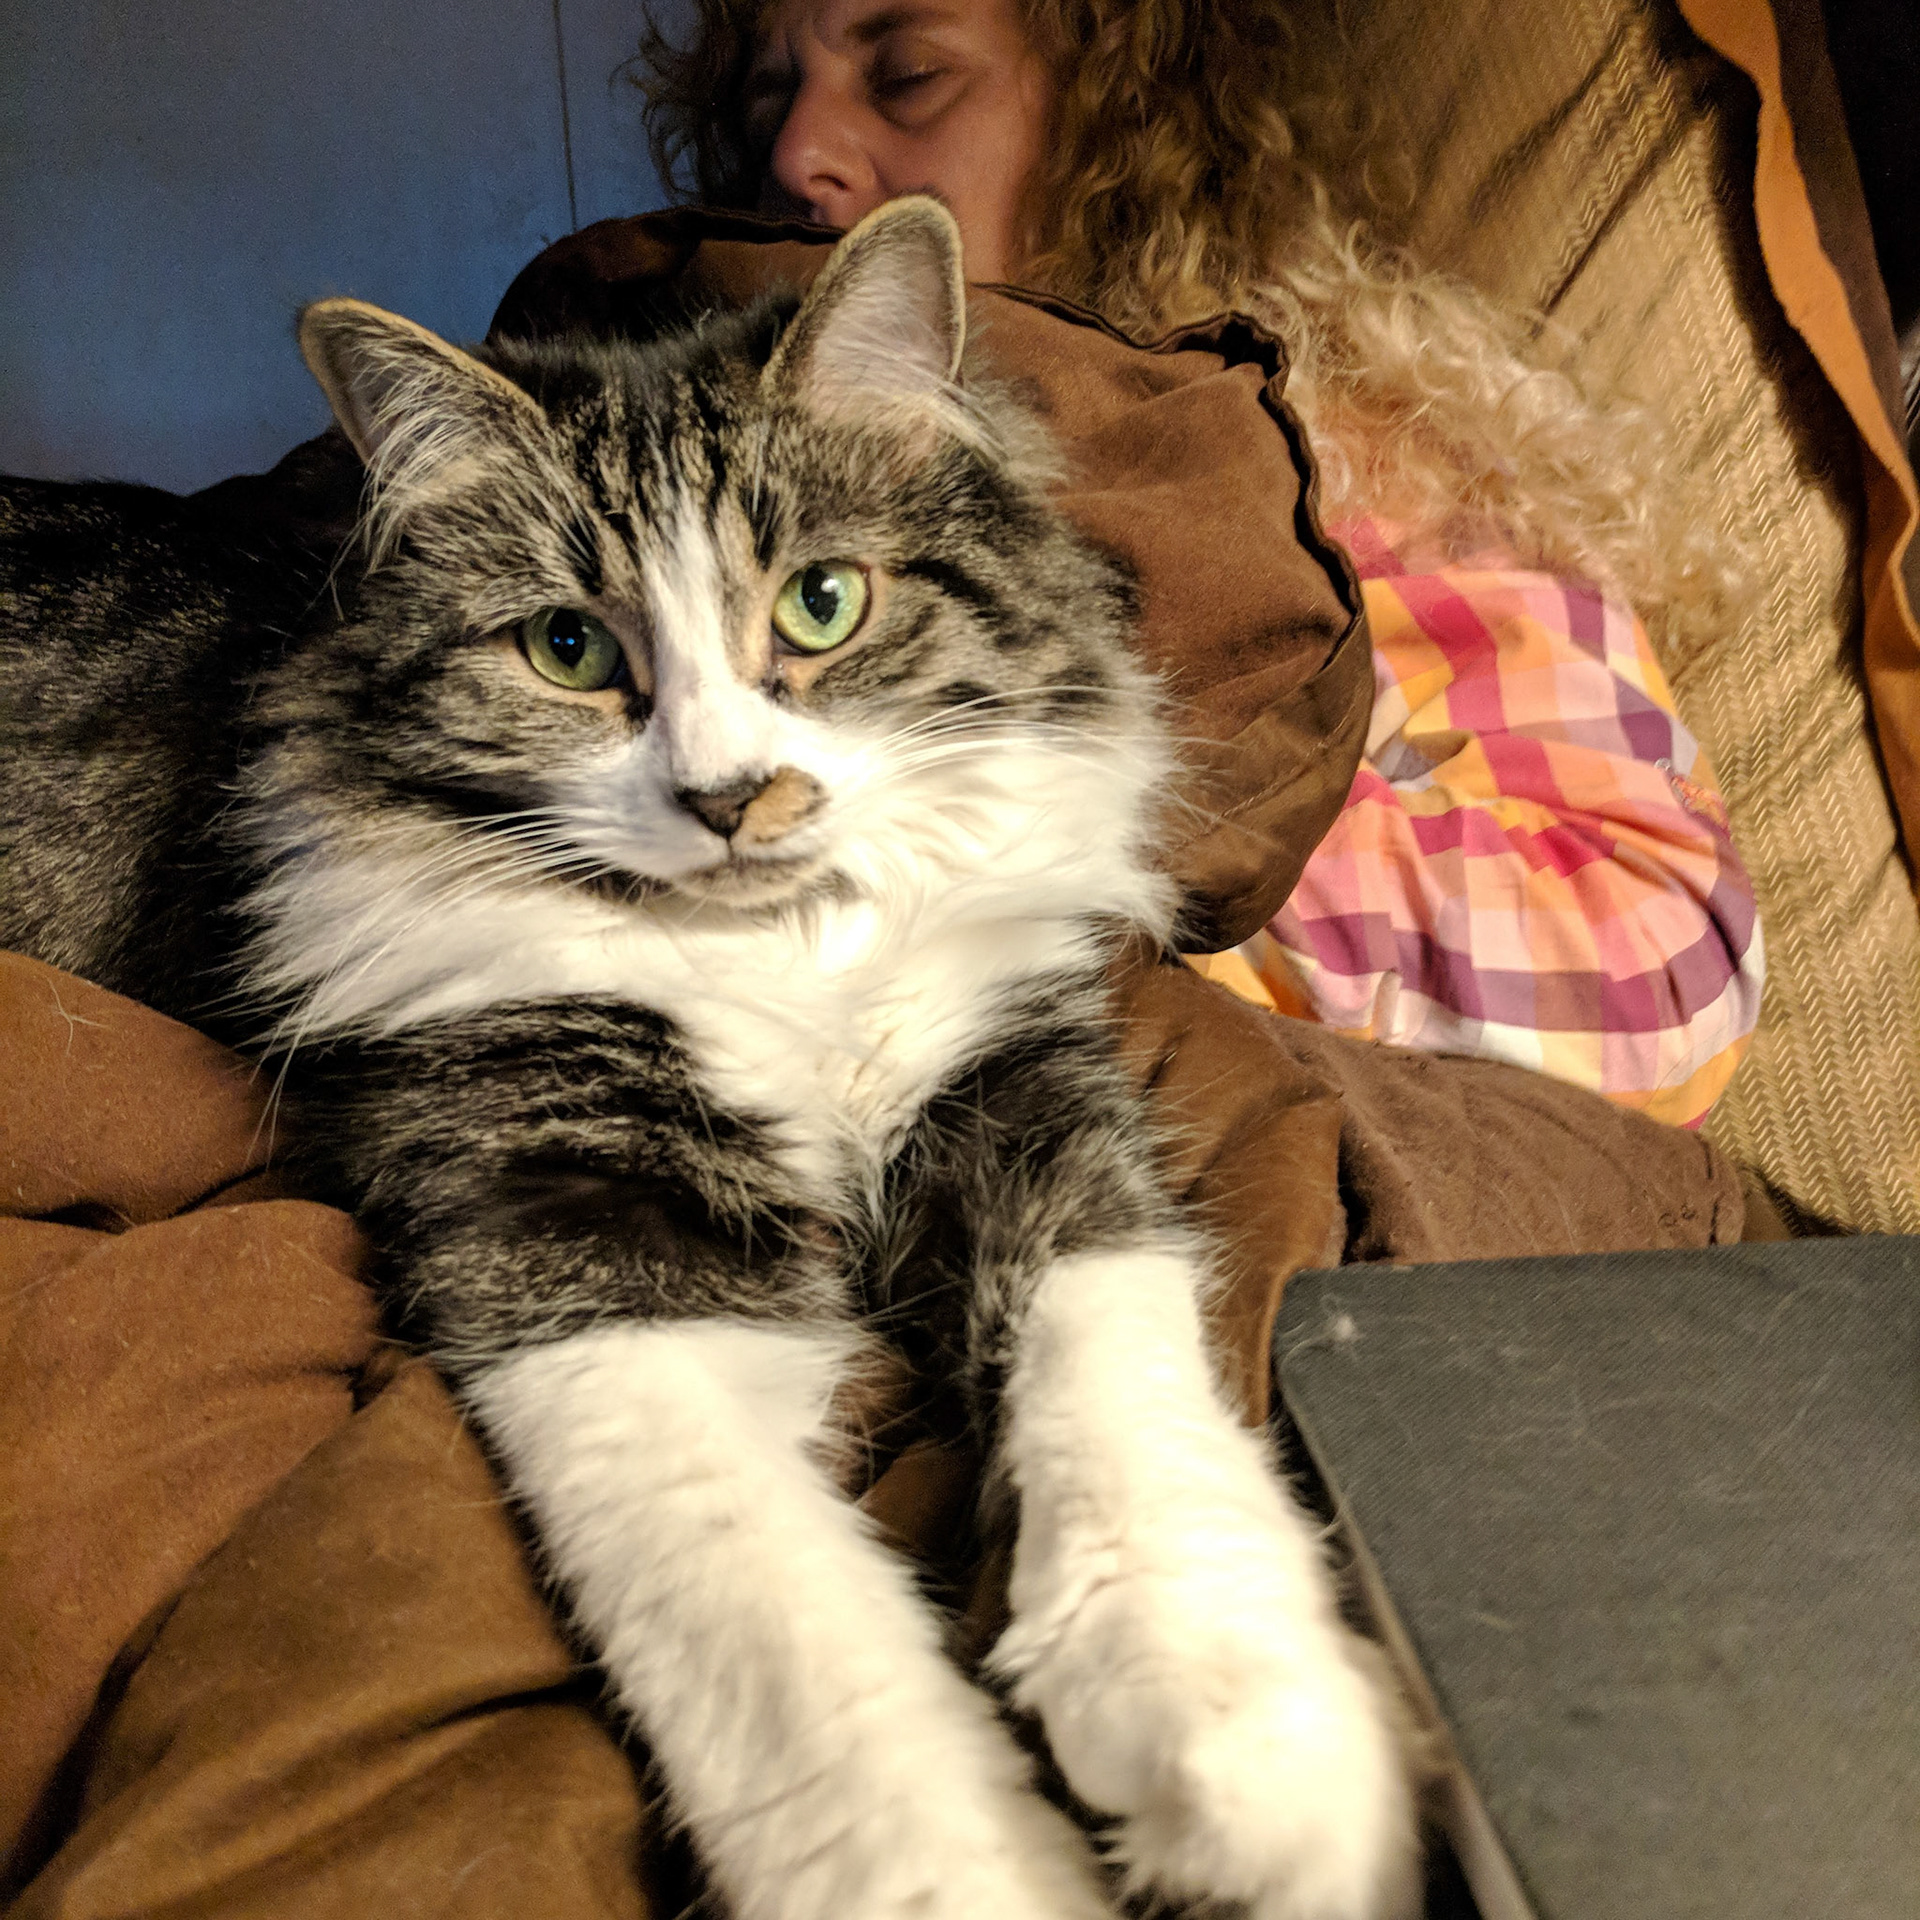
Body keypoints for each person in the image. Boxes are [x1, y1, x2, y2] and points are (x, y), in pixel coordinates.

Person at [636, 0, 1765, 1128]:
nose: (796, 153)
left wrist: (1052, 822)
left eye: (909, 75)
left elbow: (1660, 971)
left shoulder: (1361, 470)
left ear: (1107, 118)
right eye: (767, 106)